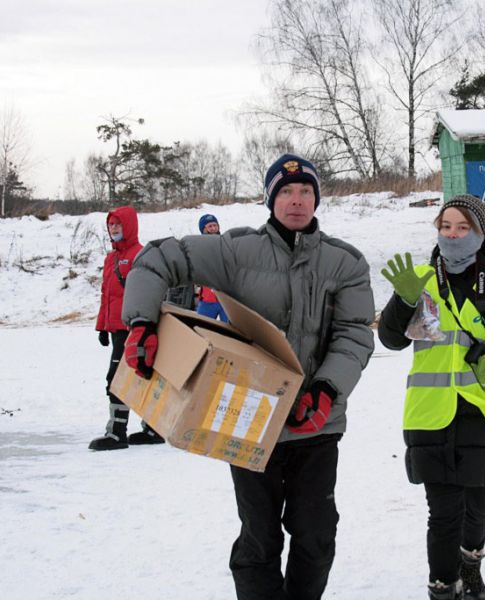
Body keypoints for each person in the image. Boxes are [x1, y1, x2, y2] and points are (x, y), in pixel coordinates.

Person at [119, 153, 375, 600]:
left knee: (316, 538)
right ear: (270, 198)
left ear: (317, 198)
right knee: (260, 538)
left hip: (317, 423)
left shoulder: (345, 263)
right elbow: (157, 258)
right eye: (287, 192)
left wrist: (327, 389)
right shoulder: (237, 252)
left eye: (306, 192)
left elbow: (354, 335)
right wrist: (141, 322)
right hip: (250, 419)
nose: (297, 201)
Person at [377, 195, 485, 600]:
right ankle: (442, 585)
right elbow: (391, 339)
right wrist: (403, 300)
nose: (451, 234)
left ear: (480, 232)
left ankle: (471, 568)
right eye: (445, 226)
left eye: (462, 227)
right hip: (429, 412)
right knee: (443, 511)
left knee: (476, 504)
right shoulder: (420, 278)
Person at [91, 206, 163, 450]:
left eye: (118, 225)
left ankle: (119, 432)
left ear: (129, 227)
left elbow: (149, 291)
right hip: (115, 330)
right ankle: (148, 429)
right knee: (124, 377)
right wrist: (102, 326)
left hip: (134, 329)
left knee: (125, 378)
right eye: (111, 225)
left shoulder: (140, 255)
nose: (114, 229)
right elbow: (106, 295)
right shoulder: (110, 259)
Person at [194, 213, 229, 323]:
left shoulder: (226, 243)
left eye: (215, 225)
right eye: (210, 226)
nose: (213, 228)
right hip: (207, 299)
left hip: (227, 299)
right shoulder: (198, 246)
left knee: (232, 333)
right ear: (203, 229)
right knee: (200, 328)